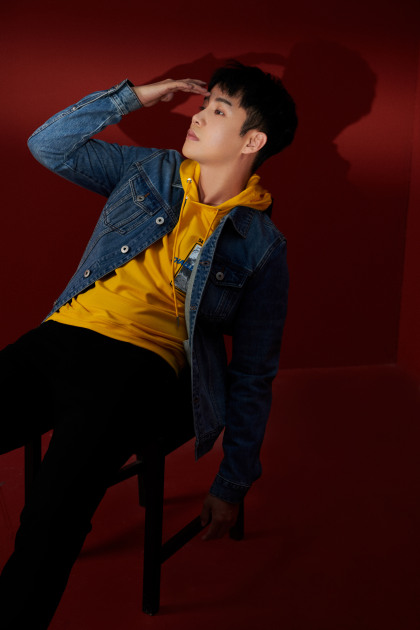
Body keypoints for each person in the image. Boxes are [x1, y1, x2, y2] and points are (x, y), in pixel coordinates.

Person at [0, 61, 297, 628]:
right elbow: (48, 146)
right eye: (202, 105)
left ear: (252, 141)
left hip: (140, 368)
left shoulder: (261, 244)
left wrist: (233, 481)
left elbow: (254, 372)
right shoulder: (148, 171)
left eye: (217, 110)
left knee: (50, 518)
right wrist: (134, 97)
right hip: (62, 336)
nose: (197, 116)